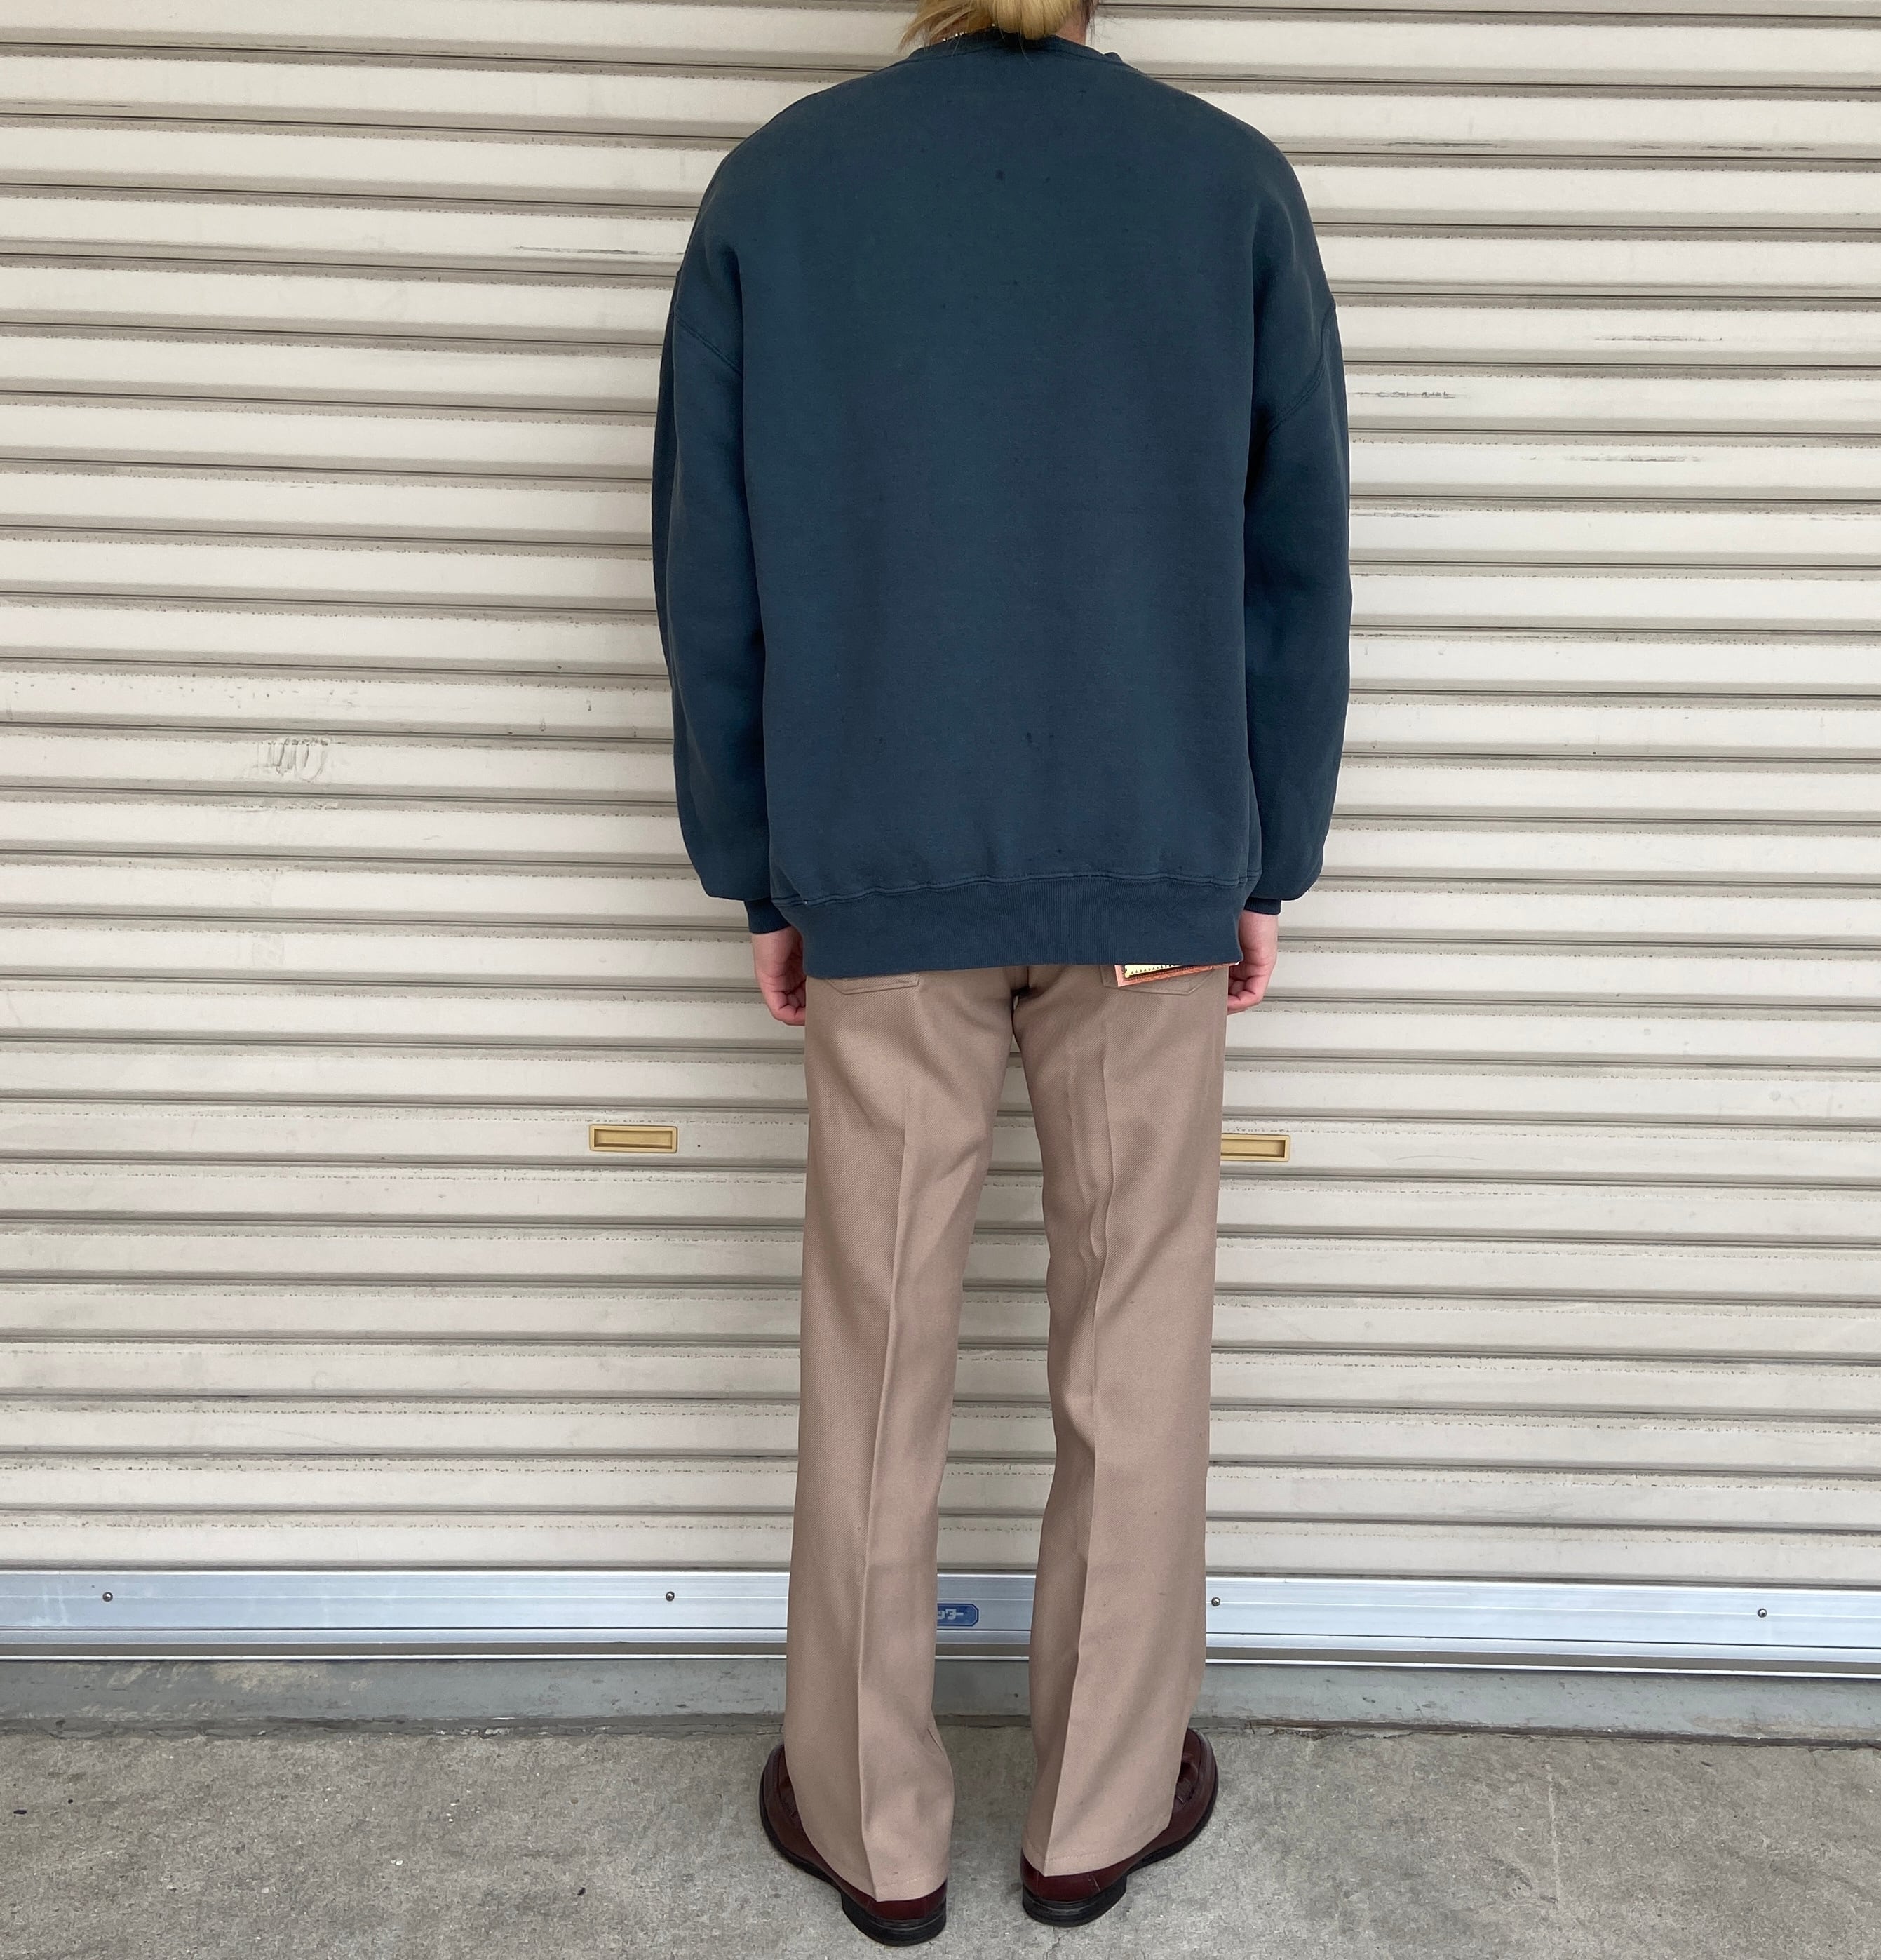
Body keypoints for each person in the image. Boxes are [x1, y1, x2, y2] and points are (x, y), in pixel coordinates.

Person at [652, 0, 1349, 1940]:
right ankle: (1093, 1817)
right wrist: (1263, 856)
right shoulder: (1225, 186)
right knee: (1136, 1346)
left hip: (879, 854)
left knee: (874, 1347)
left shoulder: (780, 190)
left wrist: (759, 866)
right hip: (1150, 858)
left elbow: (712, 569)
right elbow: (1293, 561)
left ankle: (873, 1829)